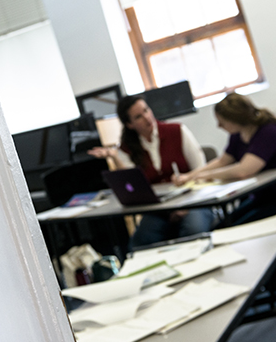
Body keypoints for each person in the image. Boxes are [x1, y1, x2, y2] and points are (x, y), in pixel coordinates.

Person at [89, 95, 215, 247]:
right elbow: (132, 188)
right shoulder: (127, 148)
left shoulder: (177, 131)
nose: (147, 117)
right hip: (159, 211)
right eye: (138, 116)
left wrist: (187, 206)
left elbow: (201, 171)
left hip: (193, 203)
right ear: (129, 124)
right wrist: (115, 157)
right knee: (140, 243)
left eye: (146, 110)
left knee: (193, 230)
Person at [173, 93, 276, 225]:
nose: (219, 126)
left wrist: (205, 176)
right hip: (260, 196)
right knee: (222, 226)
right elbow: (222, 161)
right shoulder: (238, 135)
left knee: (234, 227)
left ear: (235, 119)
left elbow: (244, 170)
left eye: (222, 122)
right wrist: (190, 176)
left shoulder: (269, 132)